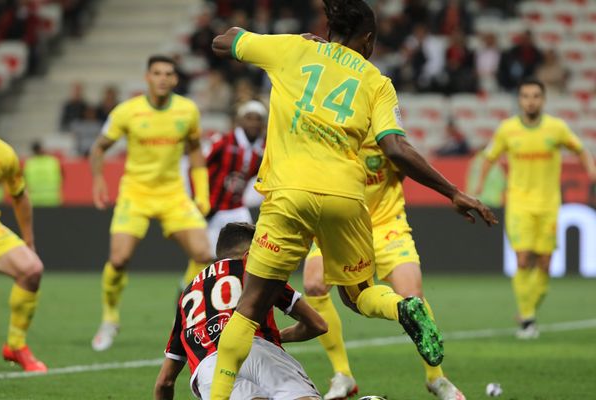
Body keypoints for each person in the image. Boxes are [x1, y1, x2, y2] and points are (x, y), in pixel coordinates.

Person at [207, 0, 497, 398]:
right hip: (345, 197)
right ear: (369, 38)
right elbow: (395, 148)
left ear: (328, 30)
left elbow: (223, 42)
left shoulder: (294, 48)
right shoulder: (377, 81)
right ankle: (401, 308)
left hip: (289, 195)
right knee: (360, 294)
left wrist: (272, 40)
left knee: (252, 305)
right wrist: (454, 192)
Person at [303, 141, 466, 398]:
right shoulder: (331, 132)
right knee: (313, 284)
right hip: (340, 224)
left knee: (413, 296)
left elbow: (404, 161)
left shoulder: (383, 131)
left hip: (386, 225)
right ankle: (343, 373)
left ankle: (437, 378)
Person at [89, 55, 212, 351]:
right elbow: (99, 148)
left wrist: (203, 192)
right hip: (136, 193)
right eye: (156, 73)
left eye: (168, 73)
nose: (162, 78)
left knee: (203, 253)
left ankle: (183, 291)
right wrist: (98, 180)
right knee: (118, 260)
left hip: (173, 194)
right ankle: (110, 318)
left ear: (175, 79)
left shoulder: (187, 110)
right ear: (147, 77)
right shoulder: (127, 112)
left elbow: (195, 151)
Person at [476, 78, 596, 339]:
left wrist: (591, 170)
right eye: (525, 96)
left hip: (549, 205)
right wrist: (478, 188)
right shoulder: (507, 130)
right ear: (519, 100)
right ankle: (527, 318)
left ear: (543, 100)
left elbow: (580, 149)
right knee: (522, 259)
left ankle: (527, 310)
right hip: (519, 203)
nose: (530, 101)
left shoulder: (556, 128)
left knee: (544, 264)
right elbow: (489, 158)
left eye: (535, 96)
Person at [154, 222, 326, 400]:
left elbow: (164, 382)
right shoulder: (255, 272)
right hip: (258, 349)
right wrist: (278, 336)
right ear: (249, 253)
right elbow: (317, 325)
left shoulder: (187, 295)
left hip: (209, 369)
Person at [181, 100, 266, 285]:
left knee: (249, 256)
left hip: (237, 208)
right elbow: (197, 166)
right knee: (205, 259)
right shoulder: (223, 141)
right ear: (240, 121)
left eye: (257, 119)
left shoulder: (263, 149)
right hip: (214, 209)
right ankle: (185, 296)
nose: (253, 123)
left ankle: (235, 300)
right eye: (249, 118)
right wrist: (200, 198)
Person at [0, 137, 47, 372]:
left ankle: (15, 345)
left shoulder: (3, 153)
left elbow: (20, 195)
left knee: (31, 268)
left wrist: (29, 242)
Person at [23, 140, 63, 207]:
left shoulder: (29, 163)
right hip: (52, 199)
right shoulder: (53, 161)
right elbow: (62, 177)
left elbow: (23, 181)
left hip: (35, 200)